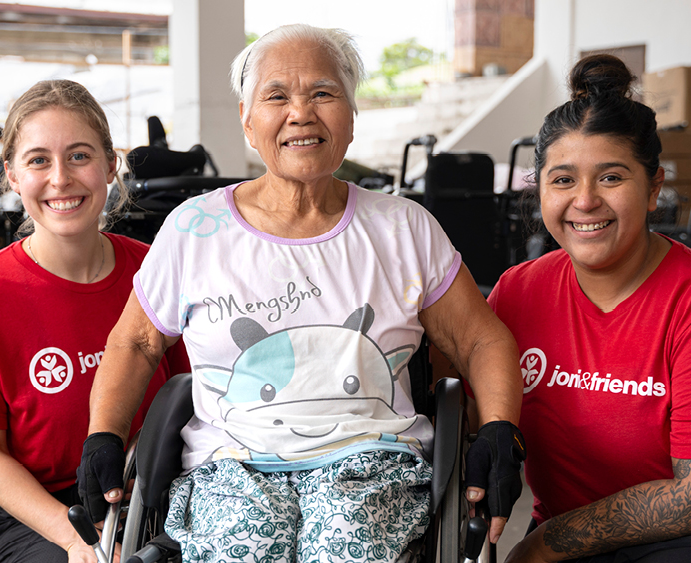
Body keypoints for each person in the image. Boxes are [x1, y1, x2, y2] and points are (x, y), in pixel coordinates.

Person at [77, 24, 524, 562]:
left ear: (352, 117)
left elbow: (480, 339)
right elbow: (137, 343)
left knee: (348, 536)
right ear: (247, 120)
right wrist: (103, 433)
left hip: (371, 461)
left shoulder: (403, 227)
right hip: (229, 464)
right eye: (276, 96)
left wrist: (499, 429)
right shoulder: (193, 228)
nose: (301, 113)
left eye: (323, 93)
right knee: (242, 542)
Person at [488, 54, 691, 563]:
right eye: (563, 179)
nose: (586, 201)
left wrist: (542, 544)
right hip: (580, 537)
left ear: (654, 188)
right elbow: (467, 414)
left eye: (612, 178)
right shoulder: (516, 293)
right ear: (541, 190)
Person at [0, 79, 189, 563]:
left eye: (79, 156)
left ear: (111, 165)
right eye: (38, 160)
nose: (60, 179)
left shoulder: (158, 270)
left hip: (153, 491)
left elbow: (192, 390)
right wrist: (77, 540)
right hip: (38, 511)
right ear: (11, 175)